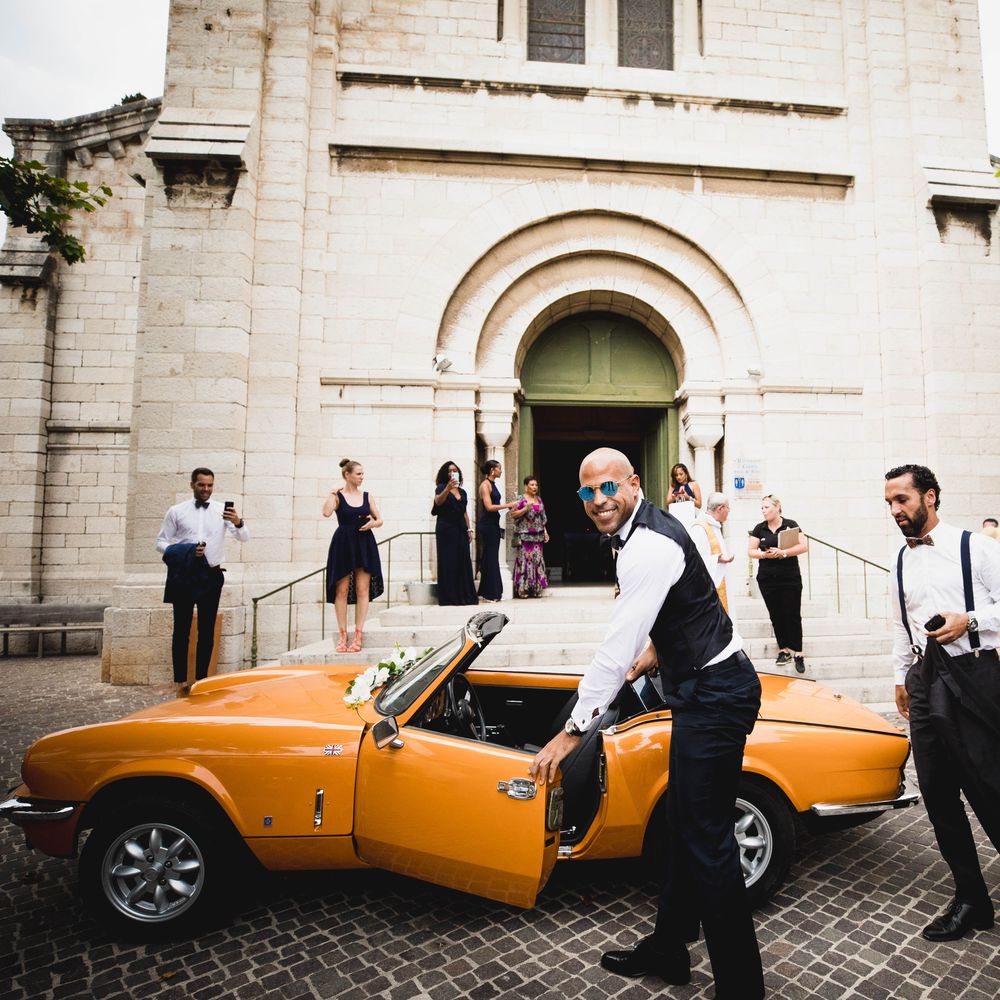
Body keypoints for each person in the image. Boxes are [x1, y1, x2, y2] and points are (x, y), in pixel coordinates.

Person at [529, 448, 764, 1000]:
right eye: (587, 492)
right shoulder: (644, 532)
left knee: (709, 844)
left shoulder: (647, 546)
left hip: (716, 694)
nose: (598, 500)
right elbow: (692, 599)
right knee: (683, 825)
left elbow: (614, 652)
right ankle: (668, 949)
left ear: (633, 483)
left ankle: (742, 989)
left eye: (608, 487)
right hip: (699, 689)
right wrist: (658, 650)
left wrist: (571, 734)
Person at [887, 463, 1000, 943]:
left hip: (975, 676)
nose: (895, 510)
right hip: (924, 679)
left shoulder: (976, 547)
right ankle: (972, 899)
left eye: (902, 500)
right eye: (889, 503)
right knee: (937, 795)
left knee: (990, 786)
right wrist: (901, 677)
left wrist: (969, 620)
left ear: (930, 496)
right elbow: (901, 623)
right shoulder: (900, 560)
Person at [156, 467, 249, 695]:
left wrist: (238, 522)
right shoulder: (176, 511)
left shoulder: (221, 510)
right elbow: (161, 542)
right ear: (192, 485)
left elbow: (244, 537)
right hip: (183, 575)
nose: (206, 489)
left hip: (211, 575)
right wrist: (186, 550)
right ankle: (180, 682)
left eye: (210, 485)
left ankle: (201, 682)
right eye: (201, 485)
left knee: (207, 631)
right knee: (181, 630)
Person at [323, 458, 384, 653]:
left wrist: (373, 523)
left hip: (364, 543)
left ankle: (358, 634)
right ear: (347, 475)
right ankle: (343, 635)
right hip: (343, 544)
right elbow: (326, 512)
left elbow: (379, 519)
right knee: (341, 590)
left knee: (362, 589)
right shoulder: (338, 496)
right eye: (358, 474)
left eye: (362, 473)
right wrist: (332, 492)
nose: (362, 477)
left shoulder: (367, 496)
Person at [749, 494, 808, 673]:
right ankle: (784, 650)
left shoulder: (790, 524)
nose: (763, 510)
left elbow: (803, 546)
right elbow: (751, 551)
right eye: (762, 508)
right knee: (776, 614)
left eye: (766, 507)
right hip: (767, 579)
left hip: (790, 577)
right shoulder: (759, 528)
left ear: (777, 507)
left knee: (792, 613)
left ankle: (798, 652)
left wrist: (783, 552)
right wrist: (764, 554)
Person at [432, 460, 478, 606]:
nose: (452, 473)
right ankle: (449, 597)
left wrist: (469, 529)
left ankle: (465, 596)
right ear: (445, 474)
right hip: (446, 528)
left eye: (455, 470)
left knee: (463, 560)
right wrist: (447, 488)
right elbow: (438, 502)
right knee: (448, 560)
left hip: (460, 528)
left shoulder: (463, 492)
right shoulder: (441, 488)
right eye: (449, 471)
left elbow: (464, 511)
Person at [477, 459, 517, 602]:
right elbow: (489, 507)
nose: (501, 471)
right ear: (492, 470)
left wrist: (508, 507)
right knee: (490, 558)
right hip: (487, 525)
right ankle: (490, 593)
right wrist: (508, 504)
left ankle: (487, 592)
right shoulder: (485, 485)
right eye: (499, 468)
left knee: (491, 557)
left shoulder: (492, 484)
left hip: (493, 524)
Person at [689, 492, 736, 613]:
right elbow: (695, 559)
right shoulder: (700, 528)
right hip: (708, 590)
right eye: (728, 507)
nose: (729, 511)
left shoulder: (713, 526)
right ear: (720, 508)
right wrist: (715, 559)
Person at [510, 475, 550, 598]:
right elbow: (513, 514)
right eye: (532, 485)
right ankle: (523, 589)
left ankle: (536, 588)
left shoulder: (539, 499)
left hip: (538, 536)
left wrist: (545, 532)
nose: (534, 487)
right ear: (526, 486)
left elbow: (542, 518)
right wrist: (525, 508)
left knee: (537, 560)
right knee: (524, 561)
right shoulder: (520, 499)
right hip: (524, 536)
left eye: (536, 485)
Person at [665, 462, 702, 526]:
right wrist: (673, 499)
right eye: (676, 475)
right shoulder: (673, 486)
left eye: (681, 474)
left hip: (690, 517)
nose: (678, 477)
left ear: (686, 473)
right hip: (676, 518)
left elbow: (699, 505)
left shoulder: (693, 484)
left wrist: (688, 498)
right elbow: (667, 505)